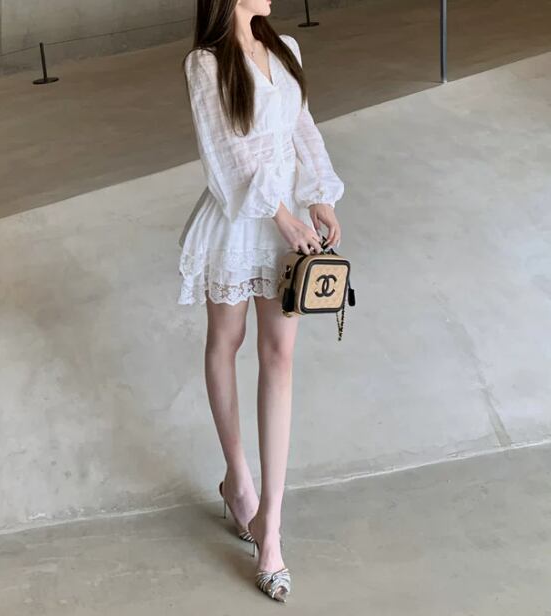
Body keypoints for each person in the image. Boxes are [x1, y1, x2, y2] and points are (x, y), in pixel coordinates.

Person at [177, 0, 345, 603]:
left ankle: (270, 526)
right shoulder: (205, 63)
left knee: (280, 357)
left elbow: (303, 128)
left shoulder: (285, 49)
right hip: (240, 221)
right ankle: (238, 480)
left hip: (288, 223)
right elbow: (225, 155)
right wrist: (281, 215)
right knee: (227, 341)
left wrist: (319, 196)